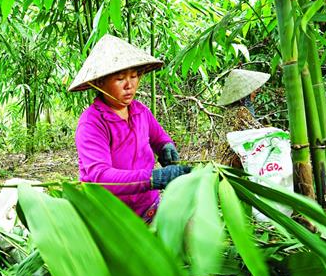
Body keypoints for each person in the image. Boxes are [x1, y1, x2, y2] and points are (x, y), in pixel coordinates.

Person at [69, 34, 190, 222]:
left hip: (148, 207)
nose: (129, 85)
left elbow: (159, 137)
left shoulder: (140, 111)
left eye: (133, 76)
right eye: (120, 78)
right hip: (111, 216)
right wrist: (152, 179)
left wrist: (167, 147)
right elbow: (101, 177)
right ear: (100, 83)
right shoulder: (92, 123)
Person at [215, 69, 269, 167]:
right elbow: (260, 131)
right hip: (230, 163)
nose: (256, 93)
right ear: (245, 95)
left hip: (225, 161)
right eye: (254, 91)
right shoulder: (240, 111)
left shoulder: (232, 110)